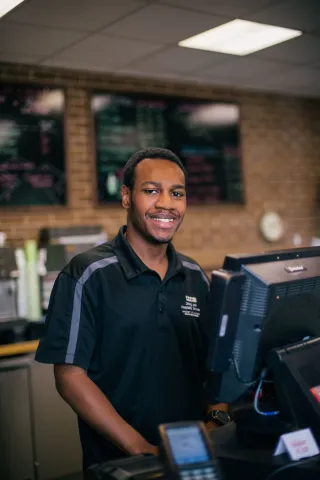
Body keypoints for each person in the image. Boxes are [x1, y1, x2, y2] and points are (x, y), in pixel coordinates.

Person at [35, 147, 228, 471]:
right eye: (151, 190)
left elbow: (215, 361)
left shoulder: (196, 276)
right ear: (126, 197)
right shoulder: (87, 273)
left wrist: (217, 417)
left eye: (176, 193)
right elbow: (69, 376)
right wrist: (139, 448)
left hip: (194, 457)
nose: (166, 203)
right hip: (123, 465)